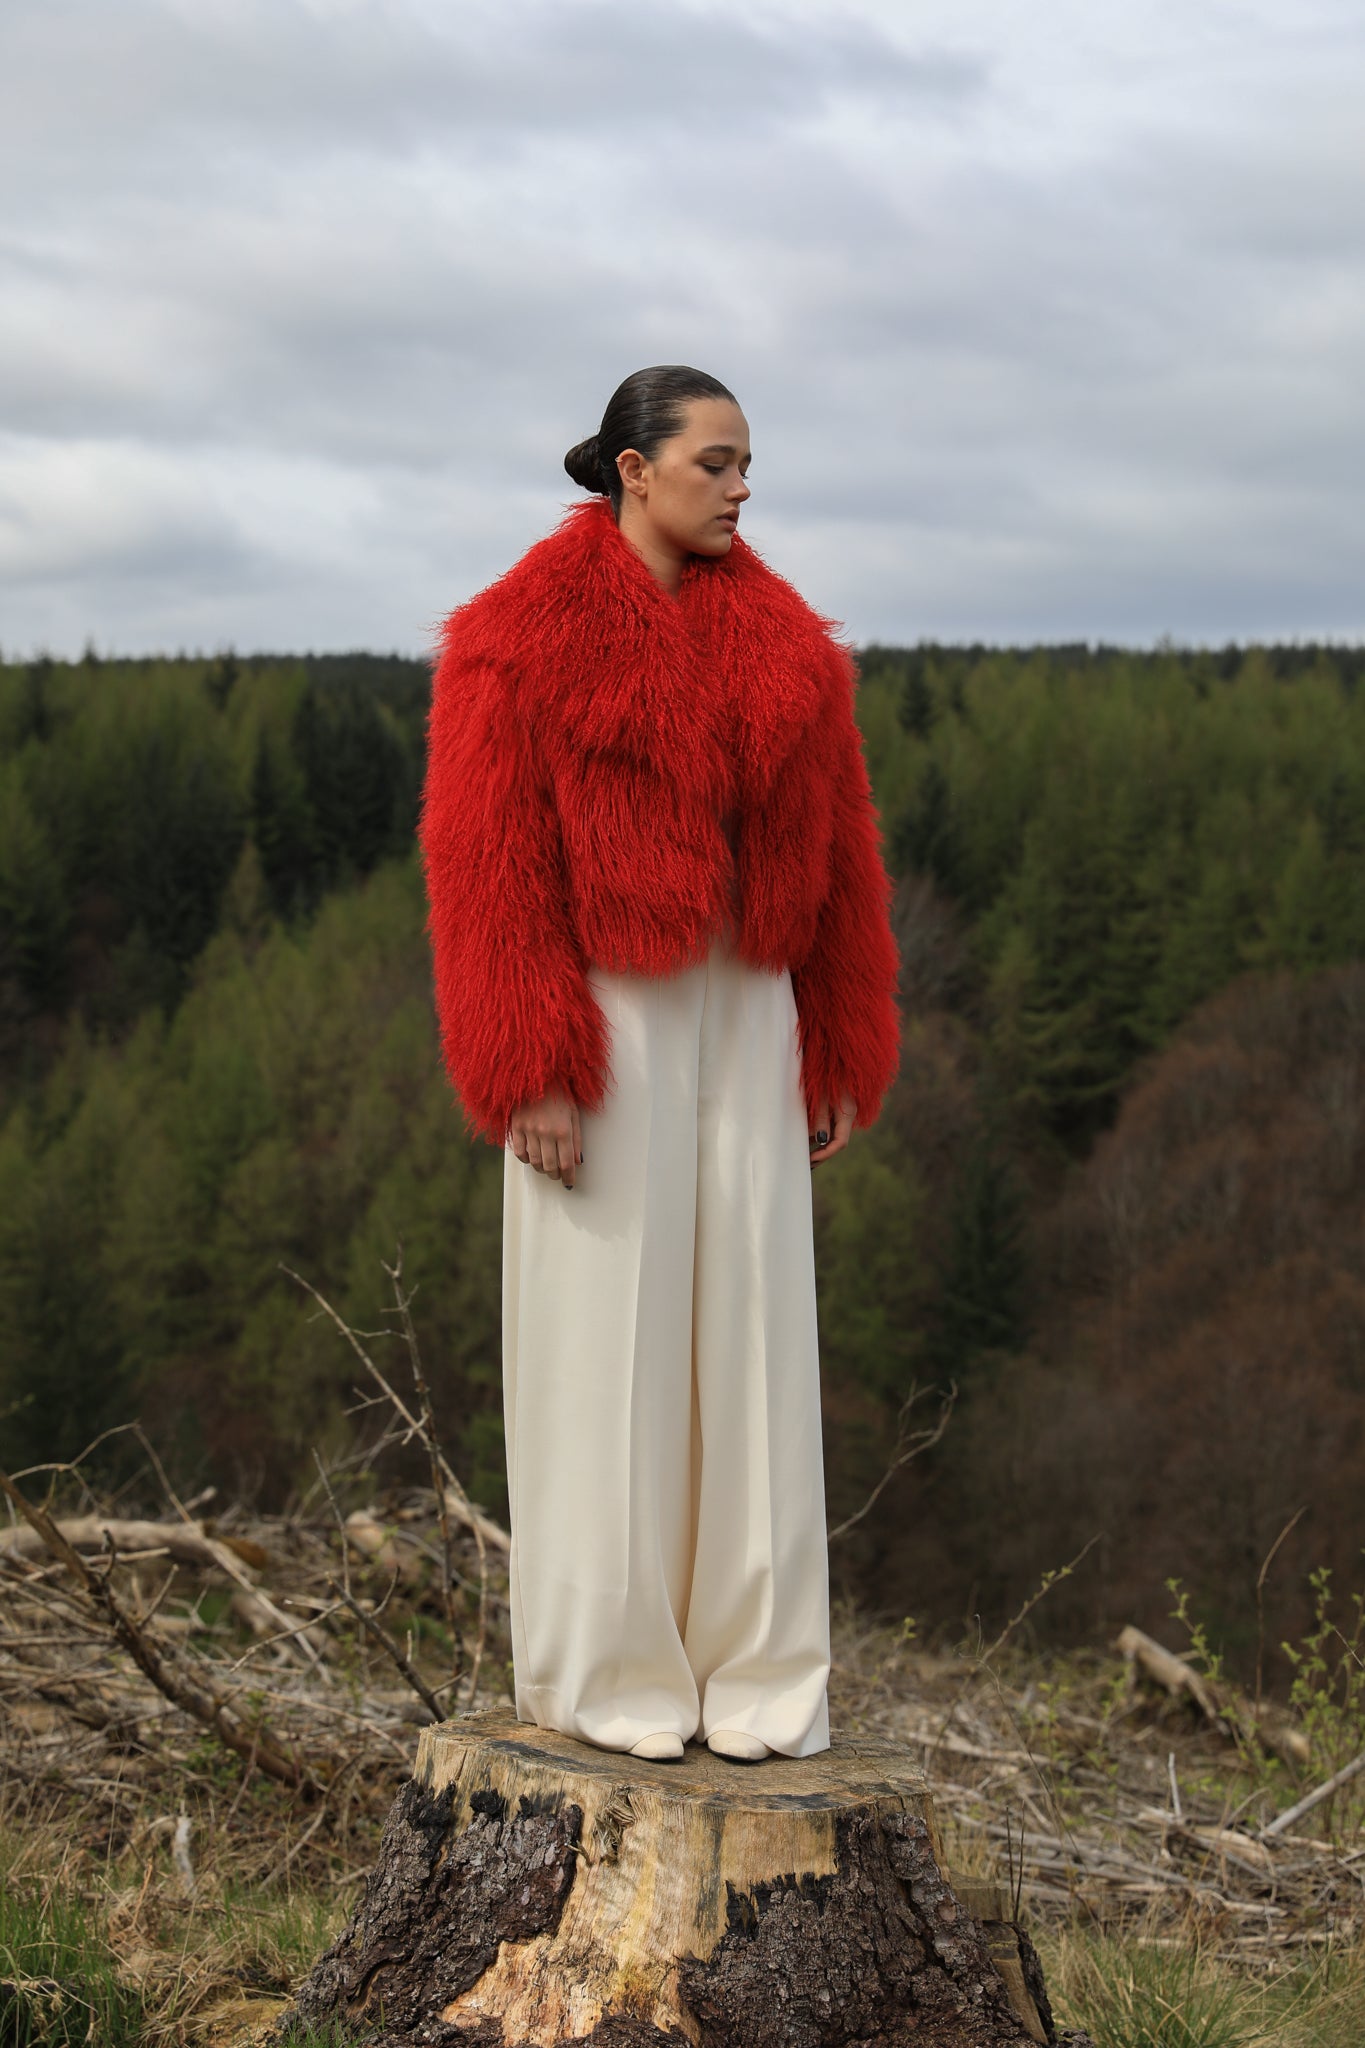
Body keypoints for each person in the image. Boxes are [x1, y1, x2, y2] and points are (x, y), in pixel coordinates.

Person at [420, 365, 899, 1763]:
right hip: (602, 1022)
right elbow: (483, 869)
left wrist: (835, 1036)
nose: (742, 487)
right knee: (603, 1345)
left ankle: (762, 1678)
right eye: (716, 462)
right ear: (633, 468)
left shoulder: (794, 653)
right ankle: (606, 1673)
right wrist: (531, 1068)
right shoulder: (513, 643)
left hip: (749, 1013)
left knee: (753, 1346)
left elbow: (844, 855)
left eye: (748, 464)